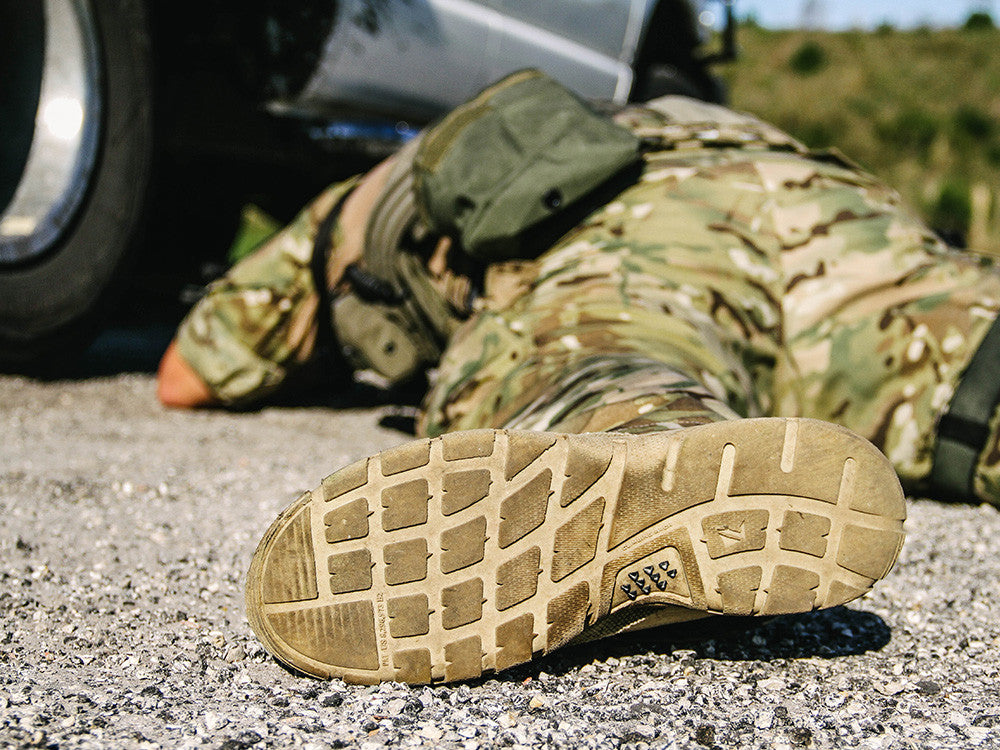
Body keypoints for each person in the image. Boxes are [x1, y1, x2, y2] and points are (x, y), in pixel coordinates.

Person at [158, 71, 1000, 685]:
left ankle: (647, 438)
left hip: (639, 227)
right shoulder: (707, 116)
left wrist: (339, 248)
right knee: (978, 367)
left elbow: (189, 374)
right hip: (839, 213)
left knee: (600, 353)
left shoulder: (381, 194)